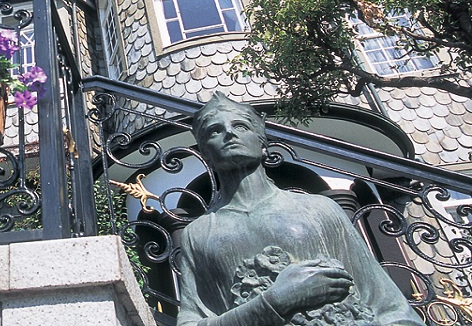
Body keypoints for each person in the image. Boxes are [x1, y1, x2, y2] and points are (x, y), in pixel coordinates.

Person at [176, 92, 423, 326]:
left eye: (240, 126)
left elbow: (387, 304)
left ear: (263, 144)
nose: (229, 133)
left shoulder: (318, 209)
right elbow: (191, 320)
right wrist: (276, 302)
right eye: (215, 131)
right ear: (206, 154)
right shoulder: (198, 234)